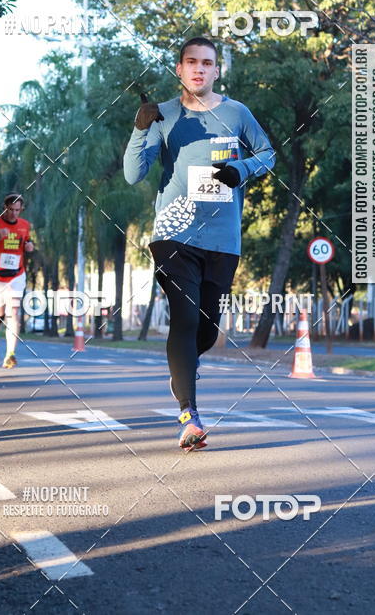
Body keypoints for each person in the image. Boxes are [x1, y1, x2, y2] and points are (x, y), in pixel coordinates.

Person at [123, 38, 275, 450]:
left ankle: (182, 370)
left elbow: (267, 155)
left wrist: (241, 169)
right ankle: (189, 413)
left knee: (206, 331)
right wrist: (141, 129)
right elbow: (134, 174)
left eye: (207, 63)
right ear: (179, 69)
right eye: (191, 62)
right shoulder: (164, 115)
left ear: (216, 71)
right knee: (185, 320)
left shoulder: (237, 113)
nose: (199, 70)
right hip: (173, 232)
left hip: (222, 239)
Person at [0, 193, 33, 368]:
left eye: (17, 210)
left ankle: (10, 354)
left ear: (21, 210)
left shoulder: (25, 225)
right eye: (10, 210)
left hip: (17, 275)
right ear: (4, 208)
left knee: (14, 312)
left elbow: (27, 242)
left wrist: (29, 246)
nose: (13, 214)